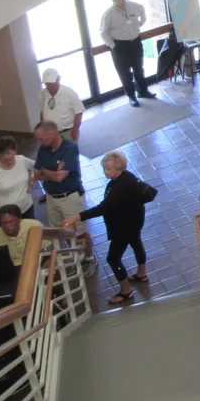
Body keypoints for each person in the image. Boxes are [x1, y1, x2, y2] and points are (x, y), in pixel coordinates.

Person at [64, 151, 148, 305]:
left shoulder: (119, 187)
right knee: (136, 242)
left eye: (108, 169)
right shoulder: (127, 177)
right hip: (135, 221)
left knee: (113, 258)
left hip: (124, 226)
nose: (105, 172)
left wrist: (78, 216)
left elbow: (103, 207)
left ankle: (126, 291)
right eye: (104, 168)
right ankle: (142, 273)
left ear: (119, 169)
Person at [33, 121, 95, 276]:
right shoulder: (43, 150)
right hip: (51, 198)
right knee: (61, 231)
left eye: (41, 138)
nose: (38, 142)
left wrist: (44, 171)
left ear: (51, 134)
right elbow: (36, 174)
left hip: (70, 197)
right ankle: (78, 256)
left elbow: (60, 177)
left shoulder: (69, 148)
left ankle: (89, 258)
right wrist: (51, 172)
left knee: (79, 232)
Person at [100, 0, 156, 107]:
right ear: (114, 1)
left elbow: (142, 9)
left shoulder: (132, 5)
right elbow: (103, 31)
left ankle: (143, 91)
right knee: (124, 72)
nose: (124, 0)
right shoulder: (108, 13)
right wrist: (112, 45)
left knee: (138, 68)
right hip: (120, 45)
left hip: (135, 42)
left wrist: (141, 22)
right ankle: (131, 96)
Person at [0, 137, 36, 223]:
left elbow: (37, 165)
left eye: (8, 153)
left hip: (26, 207)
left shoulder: (21, 160)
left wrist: (32, 178)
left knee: (32, 229)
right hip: (6, 216)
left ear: (15, 151)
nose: (6, 157)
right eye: (2, 154)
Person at [39, 68, 84, 142]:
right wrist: (42, 128)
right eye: (47, 84)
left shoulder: (69, 92)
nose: (49, 86)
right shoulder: (42, 94)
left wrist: (75, 130)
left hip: (67, 132)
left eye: (52, 83)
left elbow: (79, 113)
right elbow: (42, 112)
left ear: (58, 79)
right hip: (50, 133)